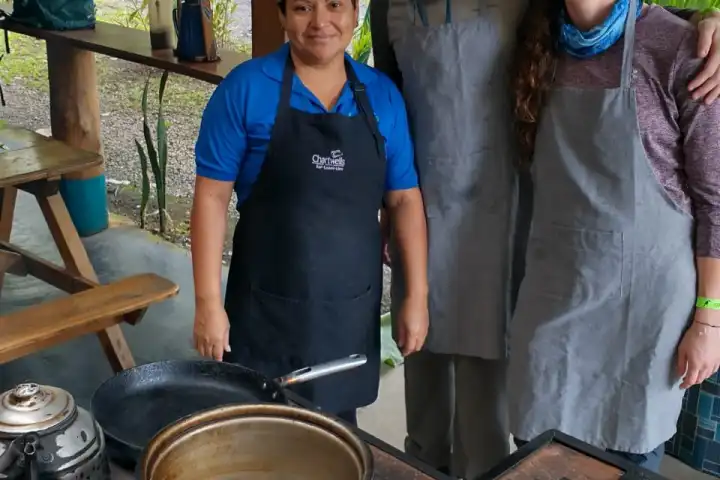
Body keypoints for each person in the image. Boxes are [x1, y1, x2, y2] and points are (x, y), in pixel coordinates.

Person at [370, 0, 720, 477]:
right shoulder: (531, 32)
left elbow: (714, 199)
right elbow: (391, 99)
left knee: (606, 455)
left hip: (608, 282)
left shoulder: (668, 45)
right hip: (509, 262)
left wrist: (709, 320)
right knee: (502, 440)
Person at [190, 0, 429, 427]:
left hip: (347, 311)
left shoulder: (382, 97)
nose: (320, 22)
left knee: (336, 436)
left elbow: (405, 200)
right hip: (263, 308)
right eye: (302, 7)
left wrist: (416, 296)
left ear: (356, 14)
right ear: (282, 16)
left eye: (335, 5)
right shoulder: (245, 89)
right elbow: (211, 198)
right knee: (255, 433)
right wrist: (208, 303)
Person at [508, 0, 720, 473]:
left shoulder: (680, 47)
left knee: (627, 460)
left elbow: (717, 203)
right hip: (553, 296)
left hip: (642, 318)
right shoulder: (531, 42)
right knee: (536, 456)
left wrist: (710, 321)